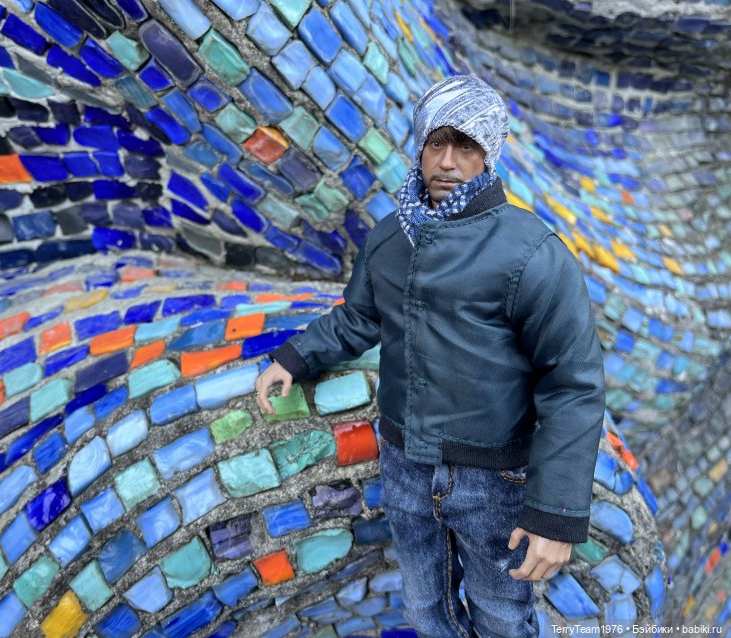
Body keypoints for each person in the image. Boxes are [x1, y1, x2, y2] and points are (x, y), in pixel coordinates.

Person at [254, 74, 605, 638]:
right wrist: (296, 357)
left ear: (489, 153)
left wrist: (556, 514)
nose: (446, 161)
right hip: (405, 465)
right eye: (435, 143)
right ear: (418, 148)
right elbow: (361, 316)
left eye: (465, 145)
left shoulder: (531, 251)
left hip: (493, 476)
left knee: (502, 616)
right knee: (425, 610)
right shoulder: (393, 237)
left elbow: (572, 383)